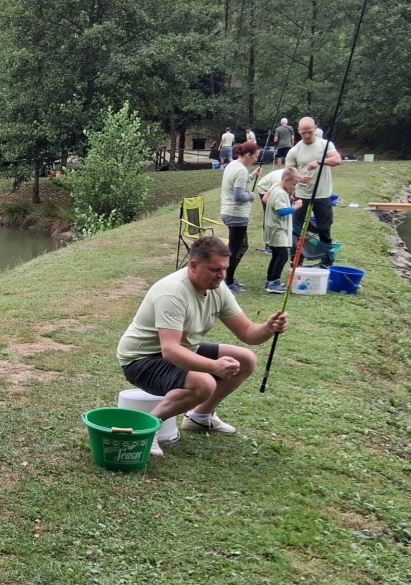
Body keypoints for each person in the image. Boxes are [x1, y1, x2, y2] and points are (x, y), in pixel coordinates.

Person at [117, 237, 289, 456]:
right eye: (215, 269)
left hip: (183, 350)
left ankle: (200, 417)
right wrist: (213, 366)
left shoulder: (218, 289)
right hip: (141, 360)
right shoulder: (172, 291)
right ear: (193, 266)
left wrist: (268, 327)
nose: (222, 275)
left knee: (246, 359)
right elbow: (170, 350)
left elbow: (248, 333)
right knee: (204, 383)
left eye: (225, 269)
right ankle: (147, 428)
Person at [286, 117, 342, 268]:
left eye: (309, 132)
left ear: (315, 128)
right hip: (301, 195)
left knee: (324, 228)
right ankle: (296, 261)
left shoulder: (325, 145)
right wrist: (298, 178)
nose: (306, 135)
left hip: (322, 194)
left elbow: (337, 160)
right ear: (298, 131)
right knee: (296, 229)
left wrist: (320, 161)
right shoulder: (294, 150)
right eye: (303, 132)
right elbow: (289, 171)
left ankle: (327, 261)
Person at [219, 140, 262, 292]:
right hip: (236, 214)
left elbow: (236, 184)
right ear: (248, 155)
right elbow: (239, 195)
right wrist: (251, 196)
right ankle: (228, 280)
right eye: (255, 156)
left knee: (238, 246)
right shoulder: (241, 170)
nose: (256, 159)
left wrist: (251, 176)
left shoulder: (232, 165)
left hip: (228, 212)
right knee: (236, 248)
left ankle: (227, 277)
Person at [262, 167, 303, 294]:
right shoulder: (279, 193)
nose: (294, 187)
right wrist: (295, 207)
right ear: (286, 179)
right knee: (282, 256)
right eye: (293, 184)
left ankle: (270, 280)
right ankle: (274, 282)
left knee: (276, 256)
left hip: (276, 229)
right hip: (277, 230)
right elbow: (282, 211)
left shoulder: (278, 190)